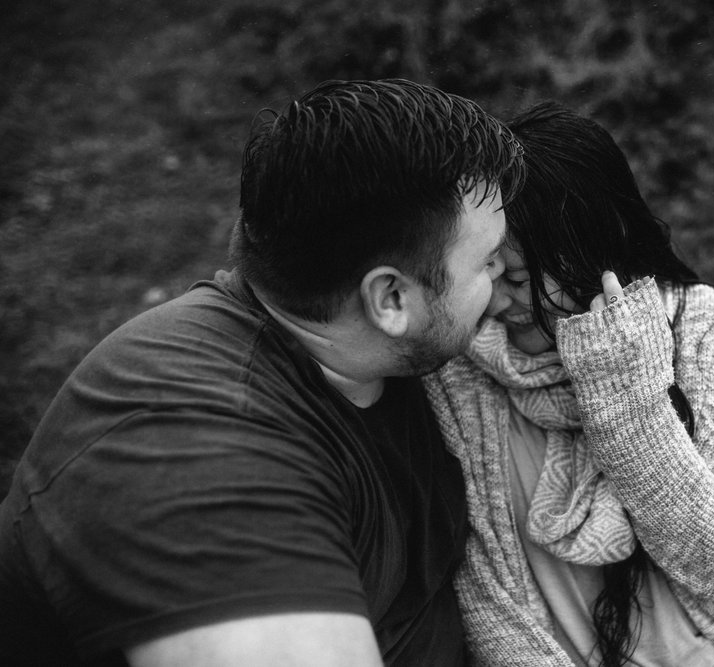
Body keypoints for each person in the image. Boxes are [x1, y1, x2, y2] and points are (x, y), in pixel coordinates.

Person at [0, 79, 523, 666]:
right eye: (487, 260)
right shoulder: (191, 459)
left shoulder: (365, 353)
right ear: (391, 300)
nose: (507, 272)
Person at [424, 102, 714, 666]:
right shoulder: (459, 366)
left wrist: (628, 402)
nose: (500, 302)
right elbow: (485, 596)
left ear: (594, 247)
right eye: (488, 272)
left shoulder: (700, 328)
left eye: (522, 278)